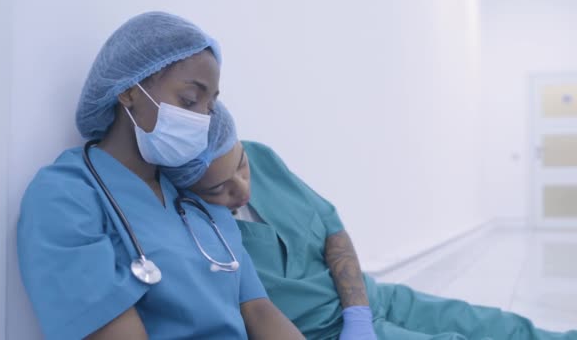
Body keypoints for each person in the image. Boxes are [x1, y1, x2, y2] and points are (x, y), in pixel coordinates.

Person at [165, 106, 577, 340]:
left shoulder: (262, 156)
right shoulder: (186, 223)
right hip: (325, 331)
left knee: (497, 326)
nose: (242, 191)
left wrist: (359, 316)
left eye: (242, 167)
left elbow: (332, 230)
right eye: (220, 188)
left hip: (367, 300)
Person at [17, 12, 305, 340]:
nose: (202, 120)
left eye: (209, 108)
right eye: (189, 100)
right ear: (129, 91)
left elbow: (258, 309)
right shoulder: (64, 197)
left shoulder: (198, 201)